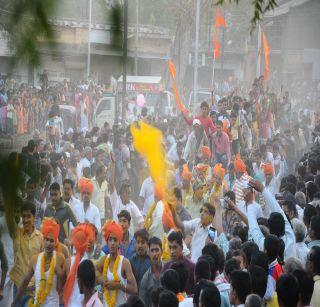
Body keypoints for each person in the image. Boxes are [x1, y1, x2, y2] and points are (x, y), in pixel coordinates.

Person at [12, 218, 66, 307]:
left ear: (55, 242)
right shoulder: (35, 259)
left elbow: (63, 285)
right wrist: (14, 302)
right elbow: (25, 282)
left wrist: (59, 273)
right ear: (43, 240)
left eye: (51, 241)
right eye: (46, 240)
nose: (48, 243)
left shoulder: (60, 258)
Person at [96, 220, 138, 306]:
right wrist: (101, 280)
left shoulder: (125, 263)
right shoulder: (103, 260)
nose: (112, 243)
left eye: (115, 240)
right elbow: (95, 272)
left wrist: (118, 286)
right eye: (110, 239)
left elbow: (134, 289)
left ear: (119, 243)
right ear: (107, 242)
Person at [10, 201, 43, 306]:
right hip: (17, 287)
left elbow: (42, 265)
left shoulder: (41, 238)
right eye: (23, 216)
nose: (25, 220)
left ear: (34, 218)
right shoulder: (16, 232)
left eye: (28, 216)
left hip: (33, 290)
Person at [109, 154, 144, 233]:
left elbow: (141, 220)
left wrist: (140, 233)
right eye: (127, 193)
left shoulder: (132, 205)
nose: (130, 195)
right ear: (121, 193)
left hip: (128, 238)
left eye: (130, 193)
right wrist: (113, 164)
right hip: (116, 236)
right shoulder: (116, 200)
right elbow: (111, 184)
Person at [63, 223, 95, 307]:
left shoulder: (67, 262)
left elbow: (60, 287)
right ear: (86, 243)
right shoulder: (89, 264)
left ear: (74, 243)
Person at [163, 230, 195, 295]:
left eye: (174, 247)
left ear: (182, 248)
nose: (171, 251)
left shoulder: (191, 266)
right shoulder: (166, 267)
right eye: (170, 247)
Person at [140, 237, 163, 307]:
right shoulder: (145, 279)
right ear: (148, 253)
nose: (154, 254)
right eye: (152, 251)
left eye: (157, 250)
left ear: (162, 251)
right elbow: (142, 303)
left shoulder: (168, 271)